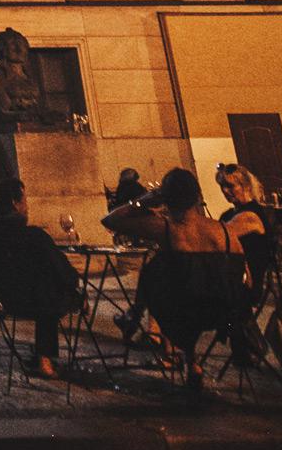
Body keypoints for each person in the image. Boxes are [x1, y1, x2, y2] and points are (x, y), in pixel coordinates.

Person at [103, 167, 246, 393]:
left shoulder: (169, 228)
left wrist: (145, 200)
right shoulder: (225, 231)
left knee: (158, 269)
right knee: (168, 272)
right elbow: (244, 277)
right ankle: (191, 363)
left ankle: (140, 319)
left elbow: (110, 219)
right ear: (198, 196)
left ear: (166, 198)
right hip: (223, 313)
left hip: (181, 314)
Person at [0, 179, 81, 378]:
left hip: (5, 301)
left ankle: (43, 358)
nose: (27, 205)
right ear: (15, 203)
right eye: (24, 199)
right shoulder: (34, 236)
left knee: (44, 290)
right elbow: (64, 271)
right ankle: (44, 360)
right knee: (52, 293)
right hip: (39, 303)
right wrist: (74, 285)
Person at [213, 163, 273, 297]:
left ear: (245, 186)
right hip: (228, 276)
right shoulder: (228, 214)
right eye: (222, 186)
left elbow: (217, 238)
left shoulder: (251, 215)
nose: (225, 190)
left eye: (230, 186)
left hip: (244, 283)